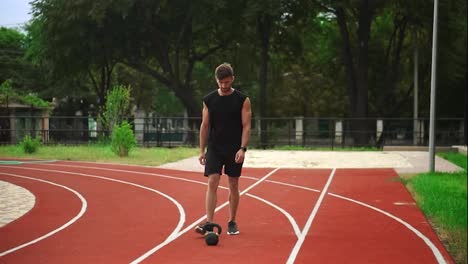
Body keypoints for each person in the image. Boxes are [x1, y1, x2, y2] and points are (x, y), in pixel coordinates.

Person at [196, 63, 252, 235]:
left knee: (233, 184)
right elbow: (205, 126)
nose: (224, 86)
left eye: (227, 82)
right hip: (215, 147)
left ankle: (232, 221)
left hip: (234, 147)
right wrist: (201, 150)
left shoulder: (243, 100)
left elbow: (246, 126)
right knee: (212, 180)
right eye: (221, 82)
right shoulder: (209, 100)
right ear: (216, 80)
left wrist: (243, 149)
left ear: (232, 79)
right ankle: (209, 222)